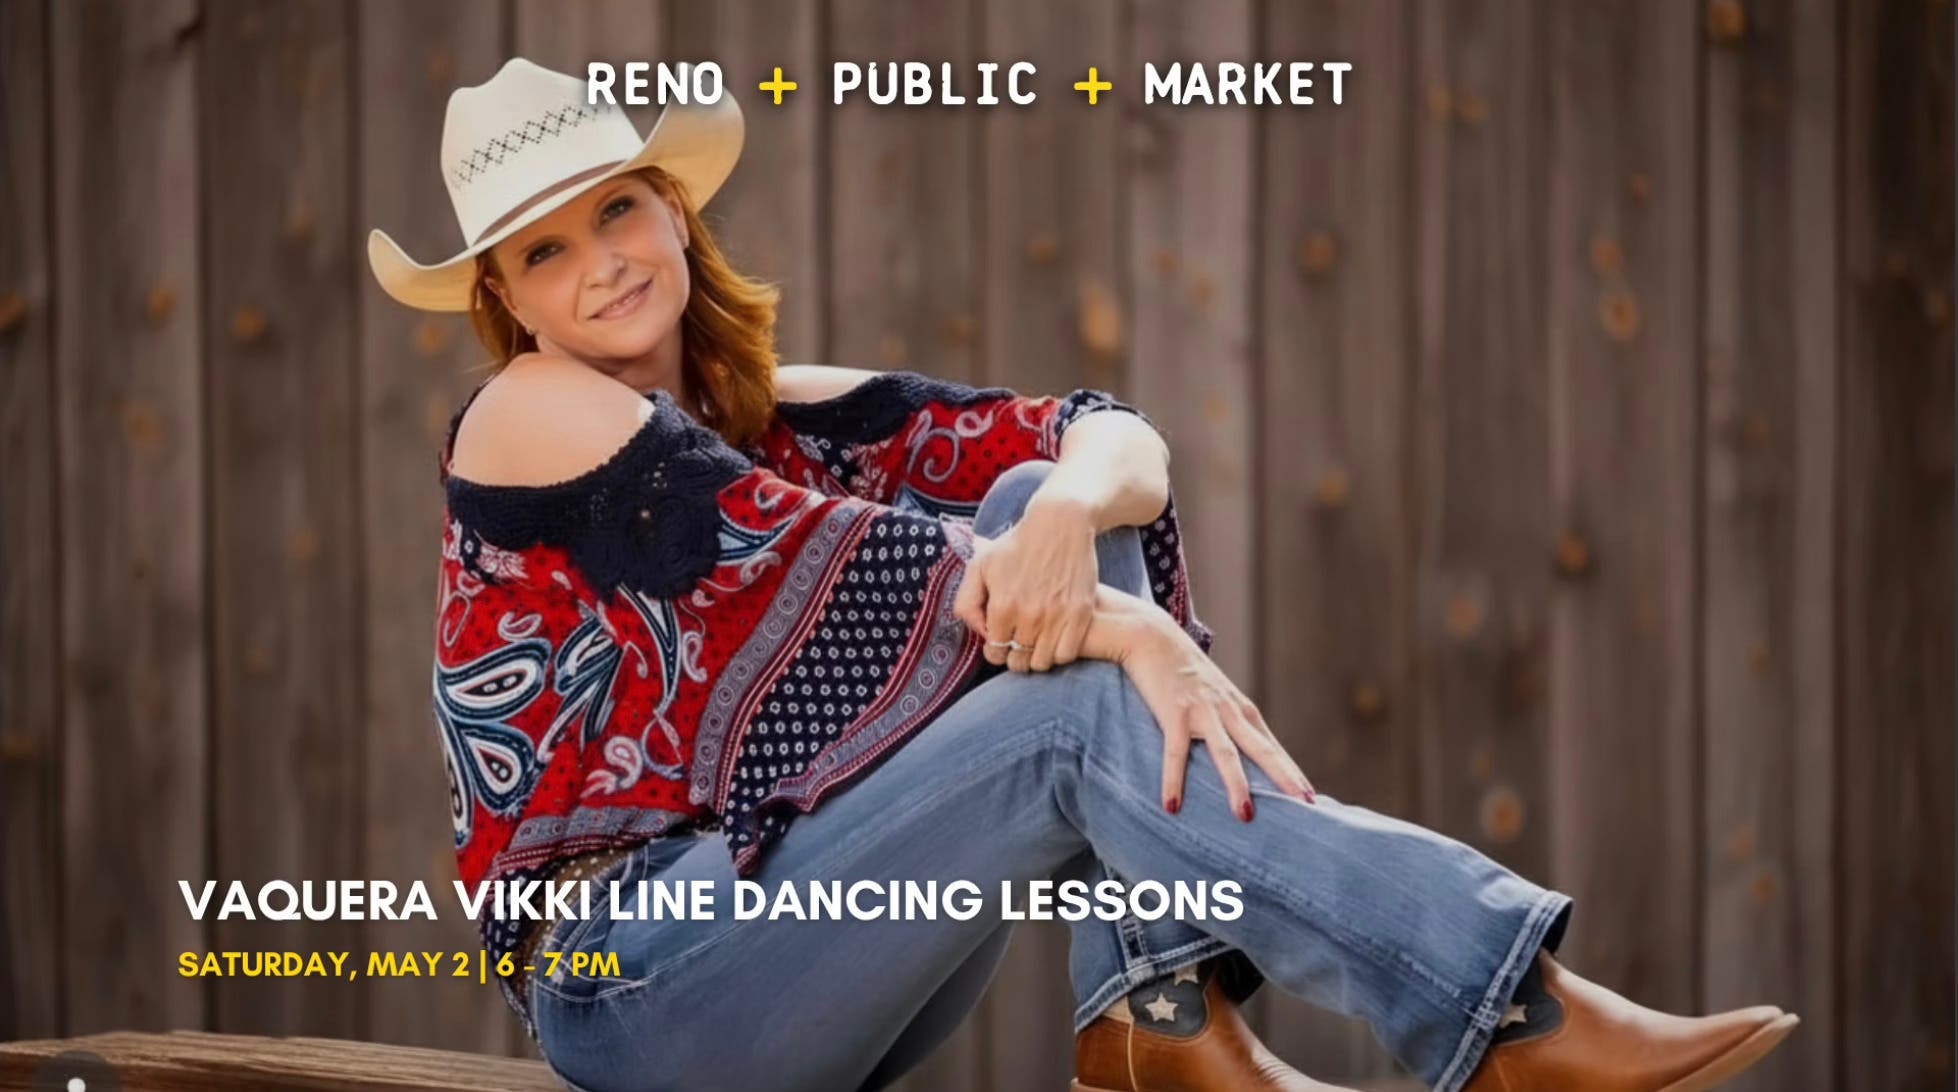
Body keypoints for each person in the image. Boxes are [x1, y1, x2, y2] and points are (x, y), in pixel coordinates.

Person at [368, 58, 1799, 1092]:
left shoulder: (780, 414)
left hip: (805, 950)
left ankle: (1154, 1017)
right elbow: (838, 570)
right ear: (506, 299)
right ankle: (1496, 1009)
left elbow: (1109, 438)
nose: (601, 264)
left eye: (618, 211)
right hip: (634, 983)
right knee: (1070, 699)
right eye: (545, 251)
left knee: (1037, 507)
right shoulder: (528, 414)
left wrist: (1064, 518)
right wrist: (1137, 636)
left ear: (675, 211)